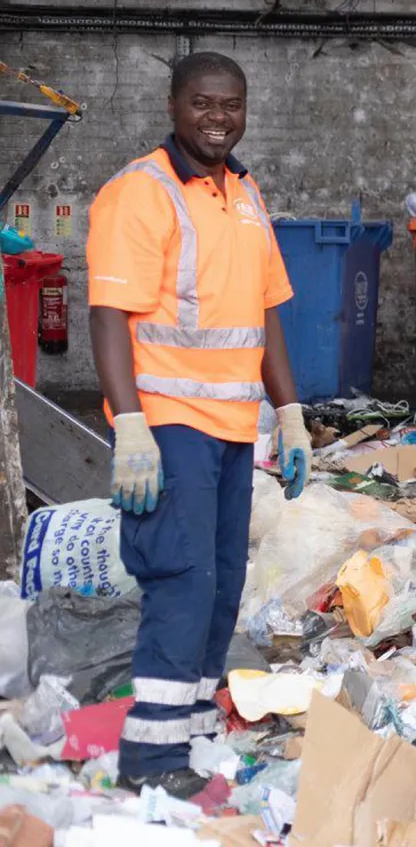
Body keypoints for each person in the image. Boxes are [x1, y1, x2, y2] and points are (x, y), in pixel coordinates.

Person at [87, 52, 312, 797]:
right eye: (203, 104)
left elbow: (266, 309)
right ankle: (149, 762)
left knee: (221, 584)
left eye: (232, 105)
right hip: (166, 425)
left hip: (232, 426)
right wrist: (129, 426)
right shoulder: (140, 193)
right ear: (175, 106)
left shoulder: (244, 193)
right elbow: (109, 316)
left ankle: (195, 735)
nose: (219, 118)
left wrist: (291, 414)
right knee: (181, 580)